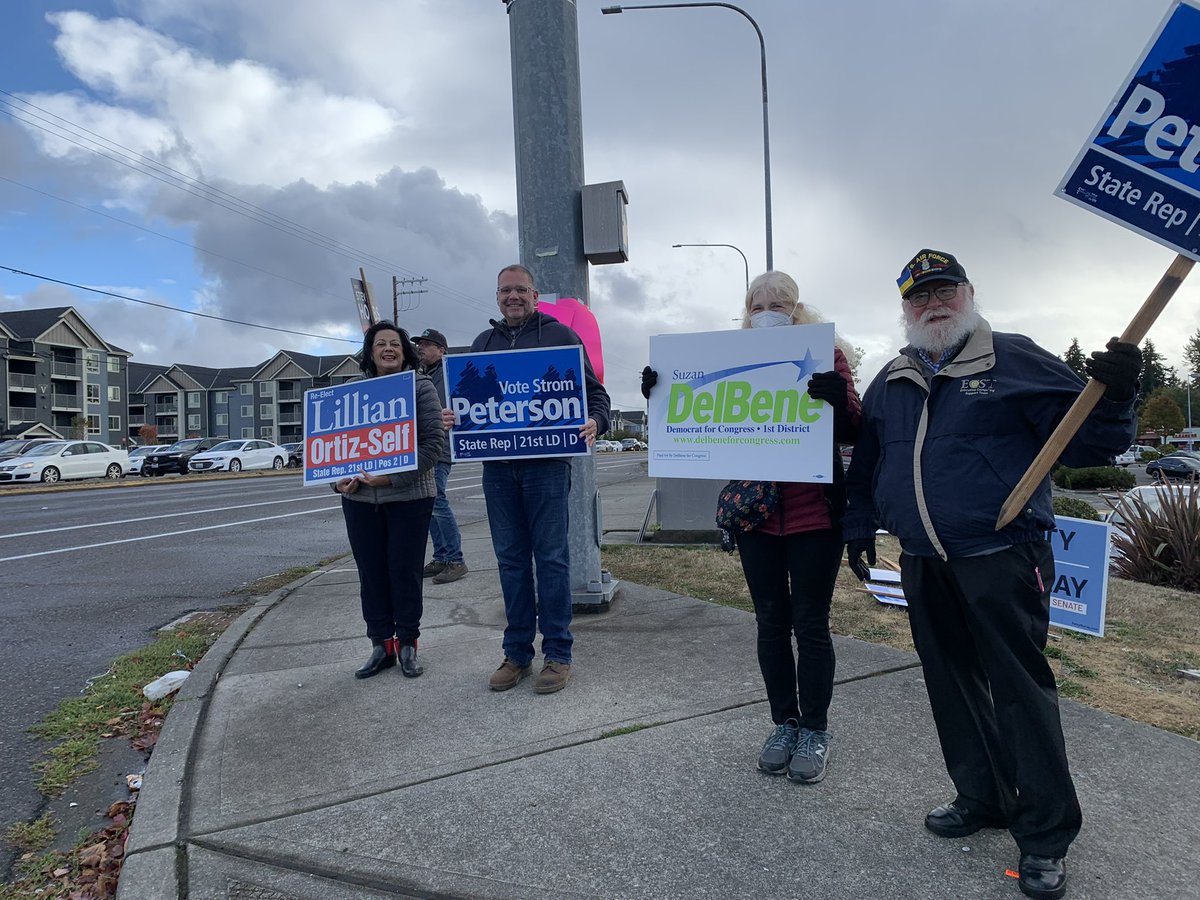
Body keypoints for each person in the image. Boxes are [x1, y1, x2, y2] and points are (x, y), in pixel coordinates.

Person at [842, 249, 1140, 900]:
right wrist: (857, 521)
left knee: (1019, 693)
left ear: (970, 293)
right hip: (923, 561)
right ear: (905, 309)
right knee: (951, 687)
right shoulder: (890, 379)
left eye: (946, 290)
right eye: (920, 296)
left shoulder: (1014, 358)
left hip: (1001, 558)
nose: (934, 303)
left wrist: (1117, 394)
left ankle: (1045, 836)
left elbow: (1091, 442)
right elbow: (867, 461)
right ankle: (982, 795)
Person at [641, 270, 861, 785]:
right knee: (768, 622)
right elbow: (692, 414)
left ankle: (815, 728)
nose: (769, 308)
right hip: (754, 516)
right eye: (759, 301)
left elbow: (854, 427)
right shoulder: (726, 356)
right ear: (746, 308)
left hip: (814, 514)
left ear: (797, 306)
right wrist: (659, 391)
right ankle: (783, 722)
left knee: (810, 624)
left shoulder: (826, 353)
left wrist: (839, 398)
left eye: (780, 301)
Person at [445, 264, 610, 695]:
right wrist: (452, 415)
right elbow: (468, 398)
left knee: (552, 560)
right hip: (498, 470)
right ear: (496, 296)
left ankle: (558, 653)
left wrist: (595, 420)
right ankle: (517, 653)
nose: (512, 296)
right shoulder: (483, 343)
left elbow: (597, 395)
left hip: (547, 467)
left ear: (535, 295)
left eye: (520, 289)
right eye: (505, 290)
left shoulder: (560, 336)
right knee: (511, 562)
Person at [335, 321, 445, 680]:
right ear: (369, 352)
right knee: (371, 574)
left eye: (394, 344)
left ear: (404, 351)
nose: (388, 349)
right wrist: (338, 484)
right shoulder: (350, 391)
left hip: (410, 497)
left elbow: (432, 446)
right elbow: (332, 452)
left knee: (404, 571)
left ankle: (408, 643)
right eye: (380, 343)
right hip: (361, 502)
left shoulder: (420, 387)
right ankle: (381, 645)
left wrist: (391, 478)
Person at [414, 328, 468, 585]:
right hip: (425, 449)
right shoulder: (425, 375)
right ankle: (441, 557)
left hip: (442, 448)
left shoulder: (449, 375)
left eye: (427, 344)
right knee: (429, 503)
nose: (421, 348)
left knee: (437, 500)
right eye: (419, 344)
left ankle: (456, 560)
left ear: (442, 349)